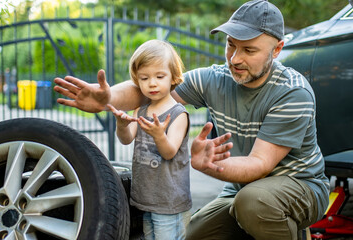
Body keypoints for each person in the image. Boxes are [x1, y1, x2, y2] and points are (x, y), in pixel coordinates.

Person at [54, 1, 330, 239]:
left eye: (249, 50)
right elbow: (153, 90)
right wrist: (108, 99)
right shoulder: (216, 78)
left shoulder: (292, 92)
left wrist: (211, 165)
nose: (234, 58)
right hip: (241, 190)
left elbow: (259, 164)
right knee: (193, 234)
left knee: (253, 205)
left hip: (299, 185)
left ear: (277, 49)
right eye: (230, 45)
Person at [110, 39, 192, 240]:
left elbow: (169, 151)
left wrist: (158, 135)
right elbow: (127, 139)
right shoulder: (142, 109)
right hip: (146, 198)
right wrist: (121, 126)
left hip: (169, 202)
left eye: (159, 76)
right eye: (144, 78)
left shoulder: (178, 114)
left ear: (173, 77)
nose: (152, 83)